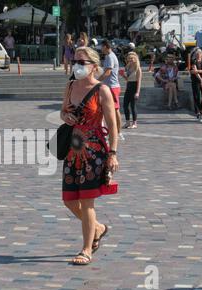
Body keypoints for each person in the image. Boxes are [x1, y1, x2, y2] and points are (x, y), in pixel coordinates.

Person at [60, 46, 119, 266]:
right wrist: (66, 117)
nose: (77, 65)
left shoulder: (102, 90)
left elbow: (113, 126)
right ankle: (99, 228)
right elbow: (62, 111)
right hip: (72, 151)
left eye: (82, 62)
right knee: (68, 200)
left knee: (86, 202)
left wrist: (113, 154)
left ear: (94, 66)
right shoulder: (70, 86)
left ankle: (86, 249)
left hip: (94, 152)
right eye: (75, 61)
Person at [99, 40, 124, 141]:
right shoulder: (109, 56)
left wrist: (96, 81)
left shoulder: (110, 56)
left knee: (115, 109)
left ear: (105, 46)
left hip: (112, 86)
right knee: (111, 110)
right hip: (110, 86)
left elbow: (108, 72)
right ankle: (114, 132)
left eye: (101, 47)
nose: (101, 49)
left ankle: (118, 132)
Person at [121, 52, 142, 129]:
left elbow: (139, 81)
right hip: (129, 86)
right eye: (129, 58)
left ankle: (134, 123)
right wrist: (123, 75)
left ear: (136, 59)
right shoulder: (129, 67)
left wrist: (137, 92)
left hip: (134, 86)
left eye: (132, 58)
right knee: (125, 105)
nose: (130, 60)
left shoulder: (138, 68)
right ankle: (127, 122)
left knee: (133, 106)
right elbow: (128, 79)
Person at [190, 49, 202, 119]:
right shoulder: (193, 61)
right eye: (197, 53)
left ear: (201, 54)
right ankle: (198, 112)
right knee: (197, 96)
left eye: (199, 53)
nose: (198, 54)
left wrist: (198, 71)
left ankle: (201, 110)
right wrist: (201, 80)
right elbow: (195, 73)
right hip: (196, 80)